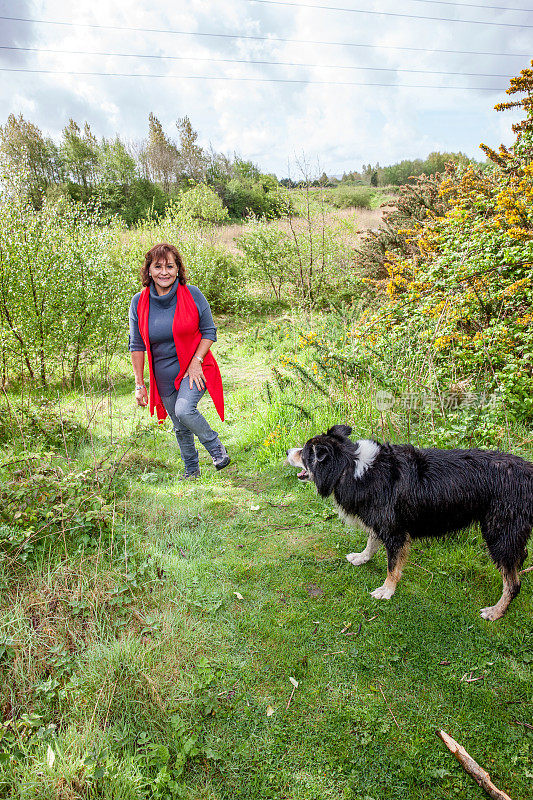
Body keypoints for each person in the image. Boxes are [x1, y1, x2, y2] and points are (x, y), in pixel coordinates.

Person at [129, 242, 230, 479]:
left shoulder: (192, 294)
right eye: (158, 266)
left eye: (170, 266)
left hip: (194, 368)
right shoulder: (139, 302)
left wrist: (196, 360)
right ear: (149, 270)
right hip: (162, 374)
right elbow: (137, 345)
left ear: (178, 270)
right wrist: (139, 383)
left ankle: (215, 447)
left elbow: (209, 331)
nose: (164, 272)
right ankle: (191, 470)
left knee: (184, 410)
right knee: (179, 425)